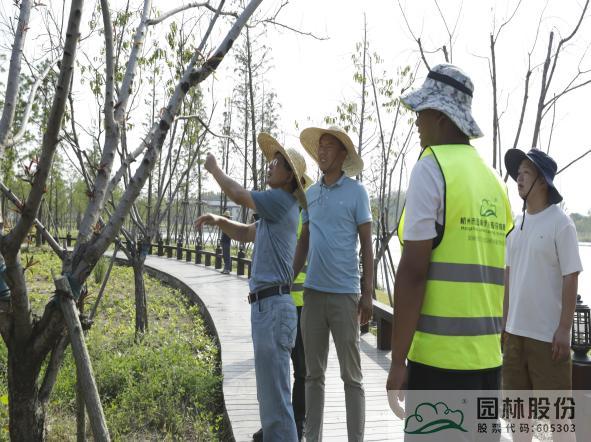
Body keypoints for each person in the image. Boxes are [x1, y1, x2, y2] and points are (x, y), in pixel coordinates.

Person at [386, 64, 513, 424]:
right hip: (489, 366)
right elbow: (503, 275)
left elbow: (413, 271)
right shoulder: (495, 182)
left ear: (441, 118)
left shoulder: (432, 167)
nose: (416, 122)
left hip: (438, 366)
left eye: (422, 112)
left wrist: (397, 361)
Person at [195, 133, 309, 441]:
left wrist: (215, 169)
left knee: (277, 405)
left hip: (273, 308)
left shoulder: (281, 201)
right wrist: (219, 220)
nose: (270, 166)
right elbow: (247, 232)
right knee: (271, 402)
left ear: (290, 178)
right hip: (267, 307)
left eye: (277, 163)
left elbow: (238, 194)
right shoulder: (276, 211)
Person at [294, 125, 373, 442]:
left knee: (351, 377)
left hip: (345, 296)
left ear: (343, 154)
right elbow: (303, 242)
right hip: (312, 296)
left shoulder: (358, 193)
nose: (322, 151)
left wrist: (367, 293)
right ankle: (312, 438)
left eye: (329, 146)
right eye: (320, 146)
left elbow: (367, 245)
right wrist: (288, 277)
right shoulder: (310, 195)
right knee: (313, 375)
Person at [502, 148, 582, 441]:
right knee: (518, 420)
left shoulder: (561, 224)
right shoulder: (516, 227)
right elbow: (509, 277)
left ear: (543, 182)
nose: (519, 179)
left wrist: (565, 328)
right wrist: (504, 325)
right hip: (514, 337)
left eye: (526, 173)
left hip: (548, 340)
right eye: (518, 173)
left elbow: (570, 275)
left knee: (559, 422)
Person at [253, 175, 313, 442]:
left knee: (300, 372)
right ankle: (277, 429)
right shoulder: (287, 210)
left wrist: (287, 280)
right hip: (286, 301)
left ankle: (296, 427)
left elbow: (308, 250)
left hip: (297, 304)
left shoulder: (301, 213)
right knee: (278, 381)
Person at [220, 210, 232, 274]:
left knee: (227, 256)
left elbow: (228, 234)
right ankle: (225, 268)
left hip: (227, 242)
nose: (224, 217)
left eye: (225, 216)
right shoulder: (225, 224)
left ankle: (227, 269)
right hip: (224, 242)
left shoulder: (229, 224)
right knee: (224, 256)